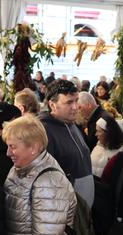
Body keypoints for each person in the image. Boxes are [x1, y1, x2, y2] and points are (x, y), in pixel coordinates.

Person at [3, 116, 80, 235]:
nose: (8, 153)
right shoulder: (20, 168)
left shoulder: (48, 182)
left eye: (13, 146)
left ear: (34, 147)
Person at [38, 79, 94, 208]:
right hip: (64, 209)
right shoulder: (44, 131)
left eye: (76, 101)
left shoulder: (71, 124)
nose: (75, 107)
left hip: (82, 207)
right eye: (69, 102)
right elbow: (45, 177)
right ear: (52, 105)